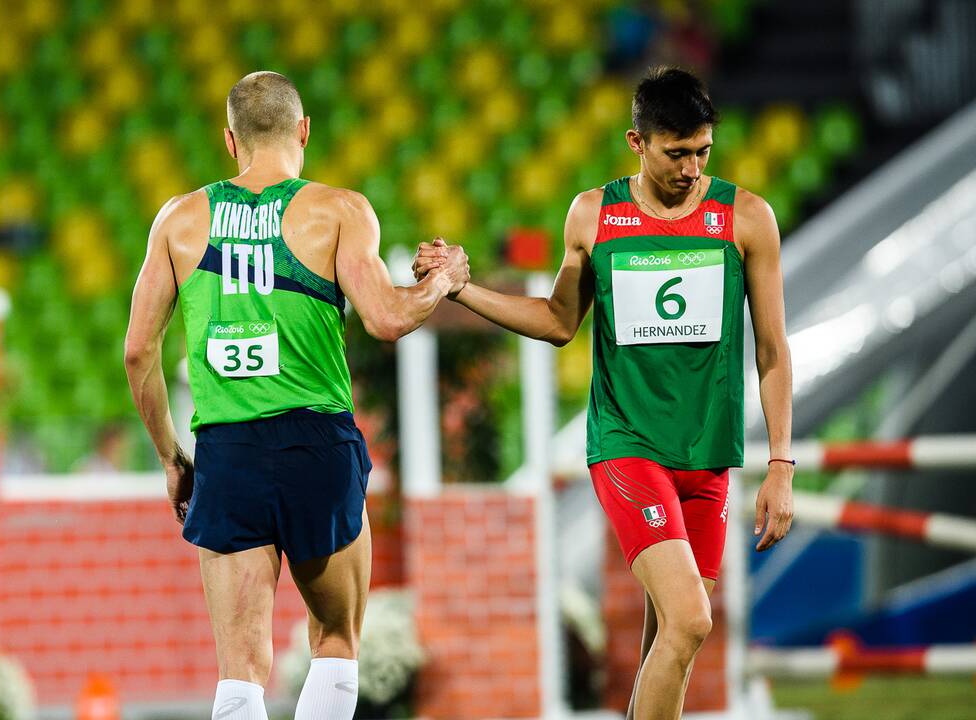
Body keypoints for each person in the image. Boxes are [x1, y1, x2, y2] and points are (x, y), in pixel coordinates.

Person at [414, 67, 794, 720]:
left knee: (670, 636)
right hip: (627, 446)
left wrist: (782, 461)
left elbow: (772, 350)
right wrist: (462, 291)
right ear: (637, 142)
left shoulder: (746, 217)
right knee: (691, 621)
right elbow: (560, 321)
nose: (691, 167)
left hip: (707, 457)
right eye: (677, 153)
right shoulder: (595, 214)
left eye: (703, 151)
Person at [125, 70, 469, 720]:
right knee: (336, 643)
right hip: (317, 444)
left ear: (230, 141)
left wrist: (173, 458)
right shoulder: (338, 211)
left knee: (240, 671)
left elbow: (138, 351)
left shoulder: (179, 219)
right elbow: (389, 319)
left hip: (226, 451)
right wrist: (442, 282)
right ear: (304, 130)